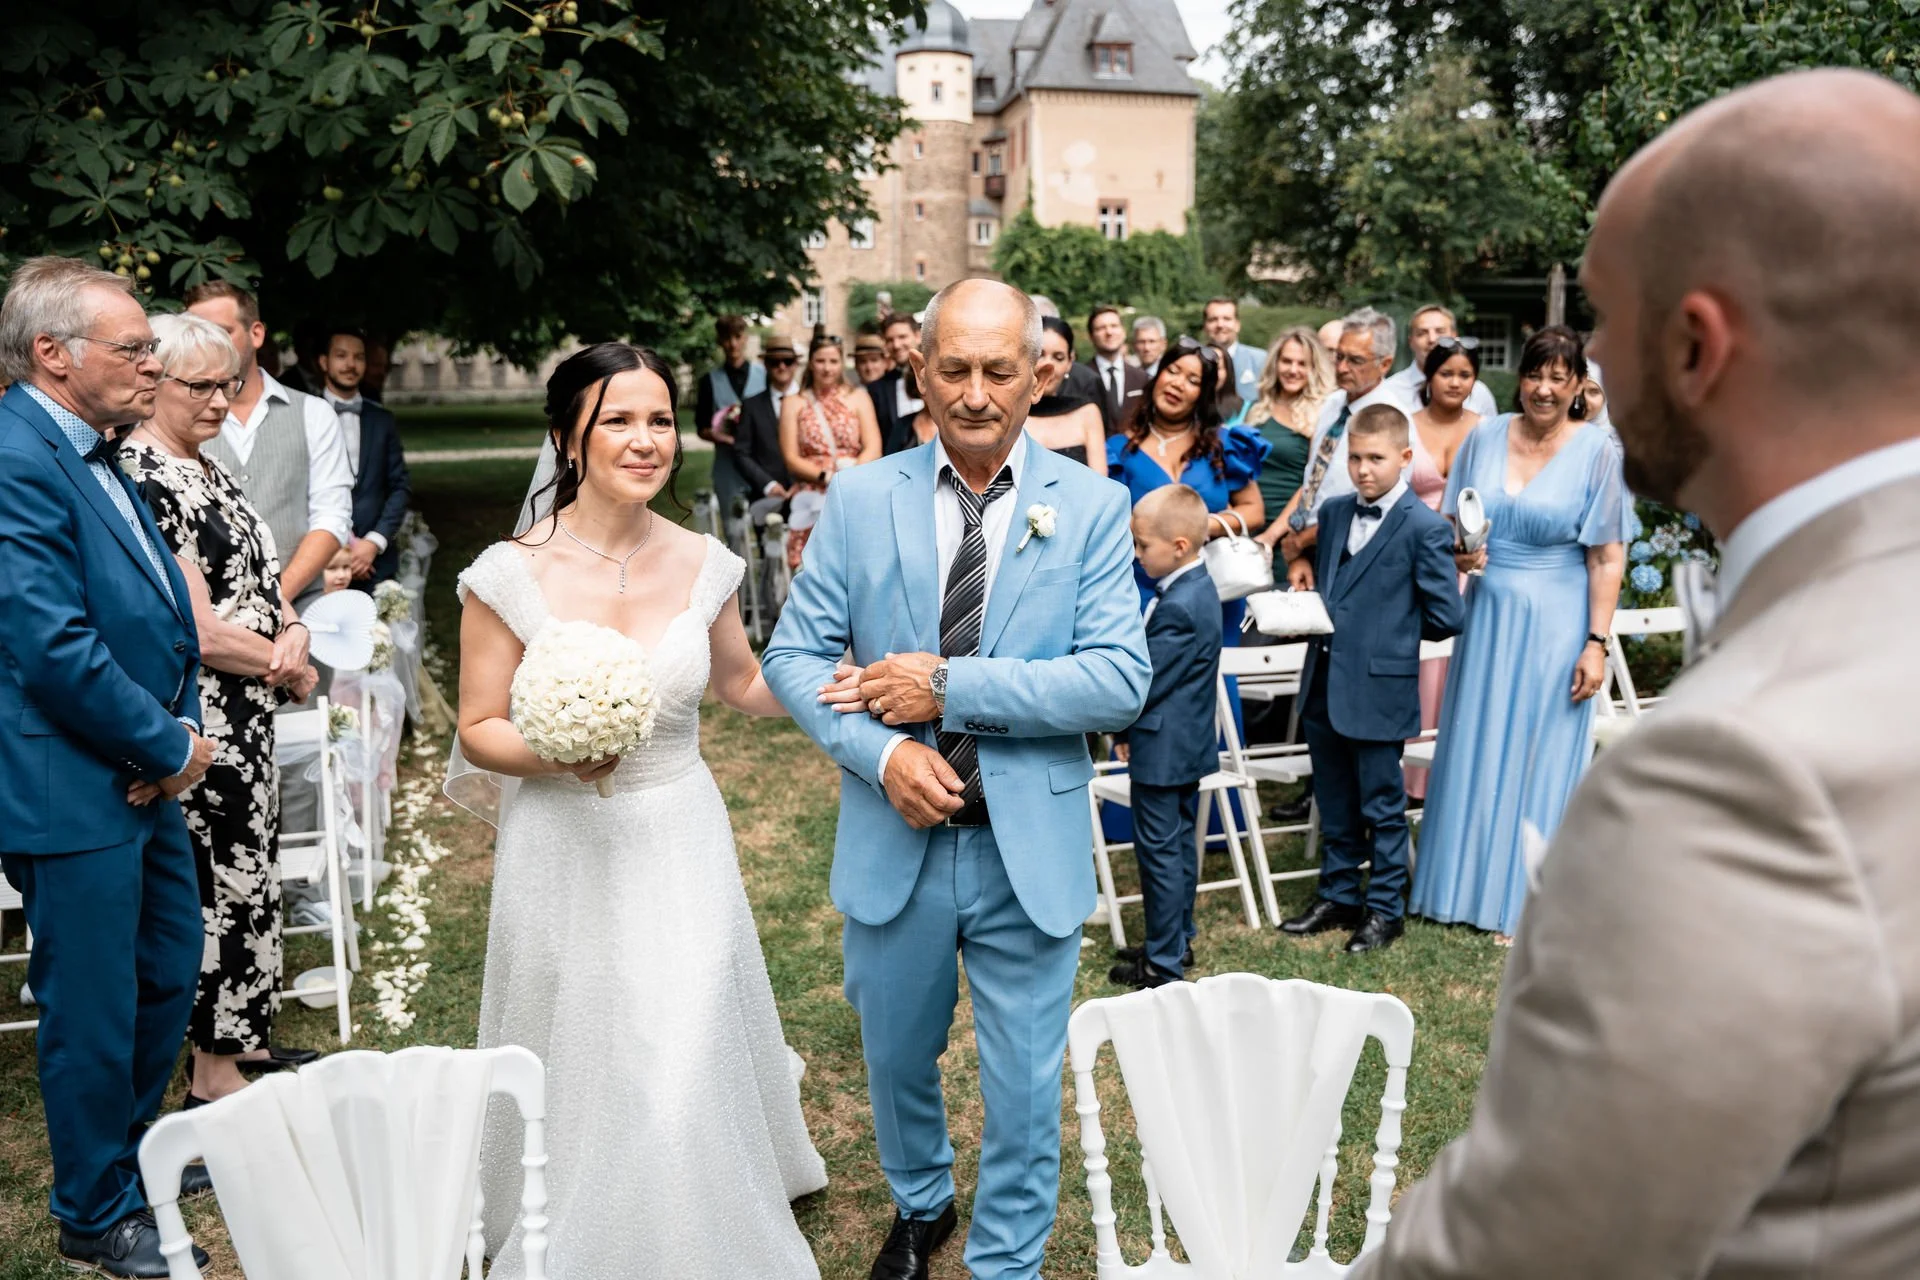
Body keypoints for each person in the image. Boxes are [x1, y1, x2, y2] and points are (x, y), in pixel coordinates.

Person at [1350, 68, 1920, 1280]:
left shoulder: (1740, 765)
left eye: (1603, 320)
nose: (1585, 360)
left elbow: (1522, 1249)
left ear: (1697, 344)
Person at [763, 279, 1150, 1280]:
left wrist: (949, 684)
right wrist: (885, 753)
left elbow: (1117, 678)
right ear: (919, 370)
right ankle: (921, 1201)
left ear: (1041, 373)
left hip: (1031, 837)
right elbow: (795, 659)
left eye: (999, 370)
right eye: (955, 369)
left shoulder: (1096, 508)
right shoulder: (857, 500)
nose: (975, 393)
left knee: (1024, 1079)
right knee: (895, 1056)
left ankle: (1008, 1257)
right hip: (897, 838)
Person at [456, 342, 848, 1277]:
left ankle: (689, 1212)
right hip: (564, 841)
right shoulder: (507, 573)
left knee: (678, 1043)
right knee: (587, 1041)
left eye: (661, 420)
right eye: (617, 421)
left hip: (678, 830)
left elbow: (743, 680)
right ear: (567, 439)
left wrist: (832, 688)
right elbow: (478, 727)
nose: (645, 441)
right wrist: (559, 751)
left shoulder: (705, 560)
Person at [0, 257, 214, 1276]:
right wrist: (171, 746)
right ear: (54, 353)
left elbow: (161, 614)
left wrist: (173, 730)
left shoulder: (98, 448)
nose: (152, 363)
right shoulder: (15, 452)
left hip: (138, 767)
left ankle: (126, 1159)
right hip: (69, 782)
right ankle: (93, 1207)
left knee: (167, 969)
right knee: (91, 1005)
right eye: (132, 347)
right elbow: (51, 644)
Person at [120, 312, 321, 1107]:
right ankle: (211, 1076)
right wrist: (279, 661)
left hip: (252, 706)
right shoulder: (142, 477)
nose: (218, 400)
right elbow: (190, 626)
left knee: (253, 873)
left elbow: (266, 583)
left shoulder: (206, 466)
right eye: (198, 386)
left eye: (228, 384)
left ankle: (248, 1041)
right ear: (154, 384)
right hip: (203, 710)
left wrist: (296, 629)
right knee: (214, 885)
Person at [1407, 325, 1626, 939]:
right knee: (1478, 742)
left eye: (1560, 378)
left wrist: (1596, 643)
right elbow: (1454, 522)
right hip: (1489, 614)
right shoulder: (1485, 434)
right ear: (1519, 378)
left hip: (1560, 617)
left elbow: (1607, 557)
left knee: (1541, 752)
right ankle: (1458, 890)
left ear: (1580, 385)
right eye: (1536, 374)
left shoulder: (1600, 451)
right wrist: (1461, 555)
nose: (1545, 389)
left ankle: (1531, 900)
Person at [1278, 405, 1462, 955]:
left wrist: (1391, 638)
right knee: (1333, 797)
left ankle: (1385, 906)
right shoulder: (1334, 513)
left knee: (1381, 803)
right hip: (1325, 678)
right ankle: (1338, 893)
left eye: (1375, 459)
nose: (1362, 469)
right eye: (1355, 458)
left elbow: (1447, 615)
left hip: (1381, 685)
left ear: (1405, 459)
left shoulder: (1426, 528)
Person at [1109, 484, 1220, 989]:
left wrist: (1120, 725)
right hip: (1185, 742)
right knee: (1175, 847)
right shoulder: (1195, 588)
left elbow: (1146, 681)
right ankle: (1175, 940)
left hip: (1164, 746)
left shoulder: (1180, 604)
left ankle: (1162, 965)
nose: (1137, 555)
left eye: (1142, 546)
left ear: (1178, 546)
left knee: (1159, 853)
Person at [184, 281, 353, 612]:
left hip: (304, 609)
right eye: (197, 335)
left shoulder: (313, 414)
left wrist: (273, 600)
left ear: (256, 334)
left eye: (221, 332)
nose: (208, 346)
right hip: (208, 618)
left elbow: (331, 518)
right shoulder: (176, 420)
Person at [1108, 338, 1269, 637]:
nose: (1178, 384)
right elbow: (1111, 520)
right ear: (1158, 377)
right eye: (1173, 371)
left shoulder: (1224, 444)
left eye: (1192, 380)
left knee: (1220, 679)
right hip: (1140, 590)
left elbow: (1255, 511)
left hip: (1215, 588)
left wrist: (1203, 525)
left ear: (1203, 395)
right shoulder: (1120, 451)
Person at [1275, 308, 1415, 583]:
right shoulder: (1332, 404)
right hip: (1310, 549)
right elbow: (1313, 481)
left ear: (1384, 364)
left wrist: (1302, 541)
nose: (1341, 367)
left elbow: (1376, 505)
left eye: (1355, 360)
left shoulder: (1393, 419)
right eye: (1339, 356)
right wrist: (1300, 550)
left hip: (1355, 555)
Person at [1402, 336, 1485, 799]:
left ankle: (1454, 775)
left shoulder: (1489, 429)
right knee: (1419, 669)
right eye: (1446, 373)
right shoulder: (1406, 427)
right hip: (1417, 560)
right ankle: (1410, 777)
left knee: (1459, 665)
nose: (1455, 382)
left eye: (1465, 374)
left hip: (1471, 562)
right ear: (1429, 377)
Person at [317, 325, 411, 586]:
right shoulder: (306, 415)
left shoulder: (382, 420)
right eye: (341, 356)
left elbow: (400, 486)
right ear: (324, 362)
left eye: (358, 357)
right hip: (321, 561)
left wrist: (374, 542)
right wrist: (337, 547)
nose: (351, 364)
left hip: (376, 563)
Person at [779, 334, 882, 570]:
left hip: (855, 487)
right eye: (821, 361)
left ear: (842, 363)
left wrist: (850, 477)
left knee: (857, 564)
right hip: (814, 489)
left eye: (833, 361)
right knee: (810, 567)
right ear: (811, 363)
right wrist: (827, 477)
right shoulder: (793, 402)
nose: (827, 368)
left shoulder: (858, 397)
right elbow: (791, 458)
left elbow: (873, 447)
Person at [1244, 327, 1335, 567]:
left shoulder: (1324, 413)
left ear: (1314, 368)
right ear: (1275, 363)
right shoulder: (1258, 408)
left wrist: (1272, 536)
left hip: (1288, 534)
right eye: (1286, 361)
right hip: (1247, 529)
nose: (1293, 370)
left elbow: (1313, 483)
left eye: (1302, 363)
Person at [694, 314, 763, 516]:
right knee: (733, 528)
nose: (732, 344)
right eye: (726, 338)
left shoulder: (764, 375)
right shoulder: (709, 381)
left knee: (767, 528)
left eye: (737, 337)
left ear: (745, 338)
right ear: (719, 341)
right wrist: (720, 436)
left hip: (761, 463)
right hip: (727, 466)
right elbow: (702, 427)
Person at [1384, 304, 1500, 419]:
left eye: (1440, 331)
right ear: (1411, 341)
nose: (1432, 339)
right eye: (1422, 333)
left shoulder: (1479, 393)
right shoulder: (1390, 391)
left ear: (1455, 336)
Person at [1027, 316, 1107, 473]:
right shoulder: (1008, 411)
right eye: (1039, 354)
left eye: (1058, 357)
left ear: (1070, 362)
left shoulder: (1087, 413)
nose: (1048, 364)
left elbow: (1102, 488)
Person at [734, 334, 799, 504]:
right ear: (766, 365)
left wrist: (803, 483)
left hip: (809, 496)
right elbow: (741, 453)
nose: (782, 366)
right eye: (774, 362)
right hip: (766, 497)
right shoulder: (751, 405)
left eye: (787, 361)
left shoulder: (811, 402)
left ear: (796, 364)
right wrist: (768, 484)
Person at [1080, 304, 1148, 436]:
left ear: (1123, 332)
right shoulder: (1080, 378)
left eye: (1114, 326)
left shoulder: (1141, 378)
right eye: (1101, 328)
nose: (1109, 332)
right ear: (1091, 336)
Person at [871, 311, 926, 455]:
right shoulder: (877, 389)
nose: (896, 345)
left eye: (902, 337)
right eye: (889, 340)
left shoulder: (939, 377)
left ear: (918, 336)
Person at [1203, 296, 1266, 403]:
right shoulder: (1196, 361)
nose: (1220, 325)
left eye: (1227, 319)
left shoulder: (1261, 360)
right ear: (1205, 326)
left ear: (1237, 325)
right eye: (1213, 319)